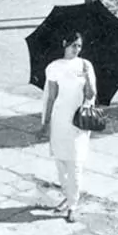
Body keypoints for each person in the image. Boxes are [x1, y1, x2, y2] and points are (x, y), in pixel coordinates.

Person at [36, 31, 97, 223]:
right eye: (73, 46)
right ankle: (68, 194)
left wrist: (87, 78)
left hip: (78, 121)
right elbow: (51, 96)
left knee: (76, 164)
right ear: (64, 44)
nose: (77, 49)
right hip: (59, 119)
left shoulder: (86, 65)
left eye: (79, 46)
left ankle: (73, 206)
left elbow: (92, 94)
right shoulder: (54, 67)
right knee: (61, 164)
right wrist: (45, 123)